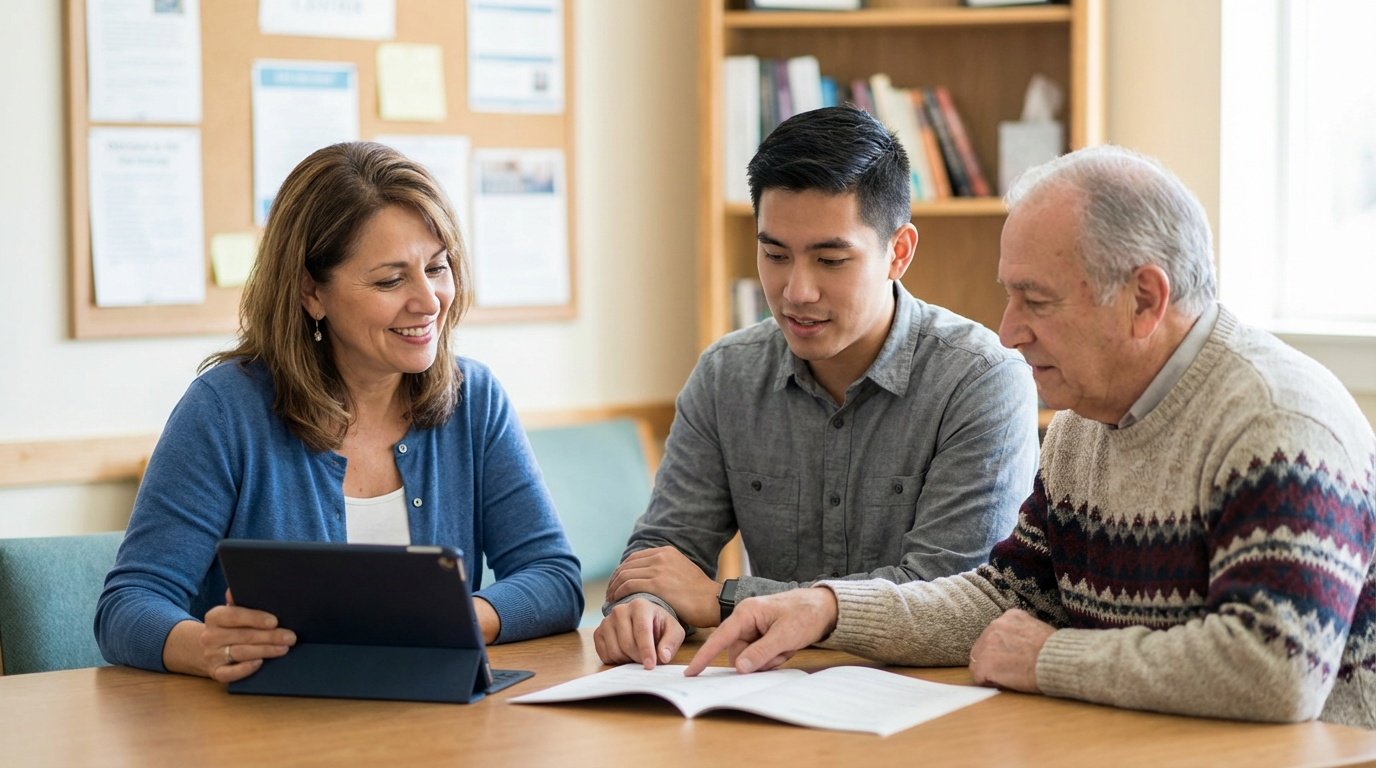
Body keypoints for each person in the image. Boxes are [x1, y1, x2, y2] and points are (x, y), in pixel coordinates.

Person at [686, 144, 1376, 729]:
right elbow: (1003, 597)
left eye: (1036, 301)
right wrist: (830, 608)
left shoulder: (1277, 421)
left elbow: (1274, 669)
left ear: (1145, 299)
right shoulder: (1083, 423)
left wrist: (1048, 658)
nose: (1009, 330)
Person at [95, 142, 583, 683]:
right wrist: (204, 646)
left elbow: (553, 579)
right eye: (390, 280)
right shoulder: (224, 410)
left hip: (443, 729)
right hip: (268, 737)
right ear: (311, 292)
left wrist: (453, 620)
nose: (429, 300)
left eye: (438, 267)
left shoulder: (475, 398)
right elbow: (128, 607)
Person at [594, 106, 1040, 668]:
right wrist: (645, 603)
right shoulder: (726, 374)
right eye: (774, 254)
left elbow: (948, 598)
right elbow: (664, 552)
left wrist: (725, 600)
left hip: (928, 704)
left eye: (831, 259)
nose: (796, 291)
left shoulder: (980, 379)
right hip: (763, 697)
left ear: (898, 253)